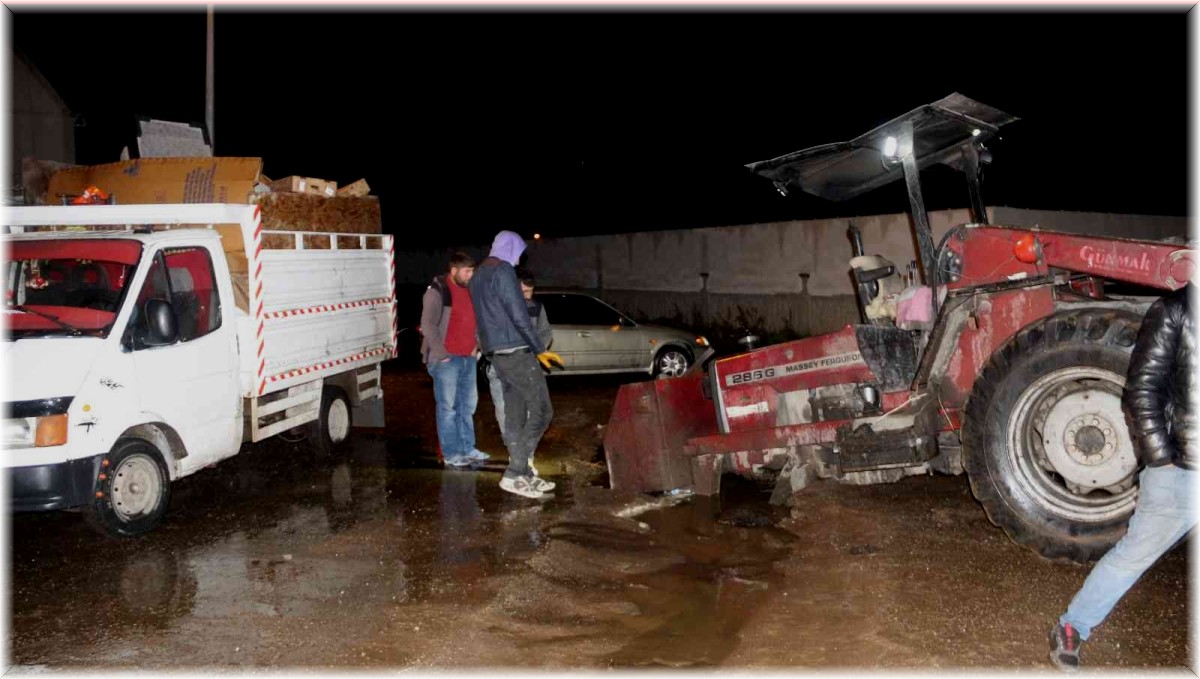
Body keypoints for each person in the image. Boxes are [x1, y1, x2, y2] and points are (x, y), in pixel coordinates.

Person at [1049, 282, 1196, 672]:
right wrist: (1162, 459)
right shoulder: (1173, 312)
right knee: (1132, 557)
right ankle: (1072, 626)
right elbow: (1141, 390)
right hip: (1182, 471)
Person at [468, 231, 562, 499]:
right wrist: (539, 349)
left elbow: (484, 317)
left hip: (497, 354)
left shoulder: (477, 276)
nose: (518, 257)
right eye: (518, 251)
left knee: (515, 415)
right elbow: (518, 312)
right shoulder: (503, 270)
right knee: (543, 411)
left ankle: (525, 474)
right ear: (508, 248)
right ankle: (516, 470)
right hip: (516, 351)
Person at [419, 252, 490, 468]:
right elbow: (427, 324)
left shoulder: (471, 291)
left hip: (468, 357)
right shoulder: (438, 291)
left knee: (467, 406)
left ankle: (467, 448)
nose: (471, 275)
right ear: (454, 271)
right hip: (446, 361)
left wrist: (476, 346)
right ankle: (451, 453)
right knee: (448, 408)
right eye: (467, 271)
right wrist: (441, 354)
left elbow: (477, 321)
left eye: (472, 271)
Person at [485, 267, 554, 459]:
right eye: (523, 292)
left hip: (528, 365)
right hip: (504, 366)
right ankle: (514, 450)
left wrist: (537, 348)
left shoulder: (536, 307)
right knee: (506, 409)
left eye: (530, 292)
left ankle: (524, 453)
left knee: (532, 410)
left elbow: (545, 332)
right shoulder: (499, 308)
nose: (527, 296)